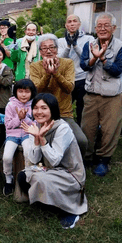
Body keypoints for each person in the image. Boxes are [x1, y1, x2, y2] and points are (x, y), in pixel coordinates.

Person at [18, 93, 88, 229]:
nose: (39, 112)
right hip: (49, 170)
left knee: (41, 180)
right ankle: (49, 203)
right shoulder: (36, 126)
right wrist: (36, 138)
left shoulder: (63, 128)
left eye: (44, 108)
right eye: (36, 108)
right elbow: (33, 159)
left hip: (69, 173)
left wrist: (42, 139)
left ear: (53, 109)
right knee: (23, 176)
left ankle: (69, 211)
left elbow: (55, 160)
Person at [80, 13, 122, 176]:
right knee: (87, 128)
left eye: (106, 25)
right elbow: (84, 66)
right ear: (95, 29)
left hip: (113, 95)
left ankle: (103, 160)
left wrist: (102, 58)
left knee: (110, 130)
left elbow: (116, 71)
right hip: (92, 93)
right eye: (99, 26)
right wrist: (94, 58)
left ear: (113, 28)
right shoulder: (89, 44)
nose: (102, 28)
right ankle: (86, 158)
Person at [30, 33, 88, 157]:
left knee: (81, 141)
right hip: (43, 115)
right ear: (40, 51)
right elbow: (37, 90)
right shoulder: (35, 66)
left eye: (52, 47)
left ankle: (77, 167)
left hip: (64, 114)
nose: (48, 51)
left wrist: (56, 74)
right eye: (44, 48)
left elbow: (69, 88)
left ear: (57, 49)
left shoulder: (67, 63)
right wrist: (47, 74)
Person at [2, 79, 37, 196]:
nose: (23, 94)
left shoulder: (34, 105)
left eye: (27, 91)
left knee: (28, 153)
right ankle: (8, 179)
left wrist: (24, 118)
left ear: (32, 92)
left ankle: (27, 178)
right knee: (7, 157)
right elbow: (8, 124)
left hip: (28, 135)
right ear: (15, 92)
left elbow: (36, 124)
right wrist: (18, 119)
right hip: (13, 135)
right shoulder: (11, 105)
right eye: (20, 91)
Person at [58, 15, 94, 125]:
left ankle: (81, 135)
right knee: (62, 108)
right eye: (69, 21)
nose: (72, 23)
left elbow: (88, 58)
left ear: (79, 24)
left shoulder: (89, 39)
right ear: (66, 25)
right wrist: (68, 45)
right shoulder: (60, 41)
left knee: (81, 109)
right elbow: (60, 59)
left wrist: (75, 45)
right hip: (67, 79)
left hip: (83, 78)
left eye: (75, 21)